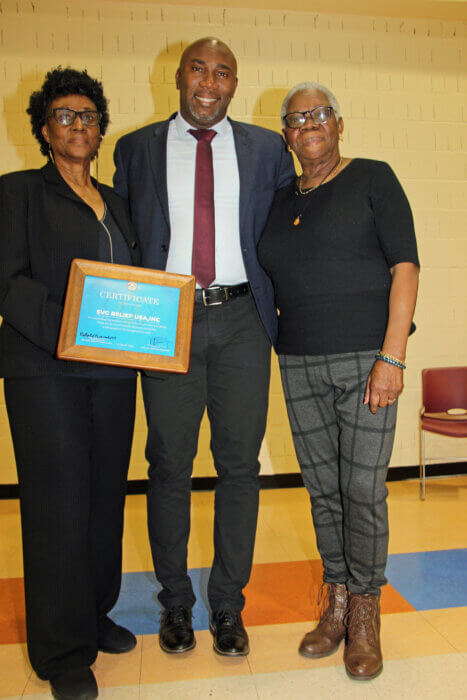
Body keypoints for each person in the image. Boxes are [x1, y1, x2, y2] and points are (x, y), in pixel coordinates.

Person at [113, 37, 294, 657]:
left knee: (240, 467)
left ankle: (227, 605)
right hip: (168, 323)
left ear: (235, 84)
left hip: (243, 319)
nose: (209, 82)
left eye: (223, 72)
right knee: (168, 465)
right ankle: (175, 605)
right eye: (198, 69)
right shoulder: (135, 148)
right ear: (179, 77)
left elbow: (289, 233)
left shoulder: (268, 148)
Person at [257, 82, 419, 680]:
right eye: (297, 120)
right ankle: (338, 602)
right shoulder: (278, 200)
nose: (309, 125)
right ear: (286, 136)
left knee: (362, 489)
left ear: (340, 124)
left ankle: (367, 612)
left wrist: (393, 357)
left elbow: (406, 264)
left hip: (367, 364)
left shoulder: (375, 178)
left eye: (319, 114)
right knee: (323, 491)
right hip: (297, 362)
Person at [0, 68, 141, 700]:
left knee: (105, 495)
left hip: (111, 376)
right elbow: (9, 283)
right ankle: (60, 651)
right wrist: (72, 327)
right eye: (64, 115)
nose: (78, 124)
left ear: (101, 129)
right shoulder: (17, 193)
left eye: (88, 115)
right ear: (43, 129)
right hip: (44, 370)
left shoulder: (118, 203)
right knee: (58, 505)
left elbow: (139, 292)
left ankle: (92, 612)